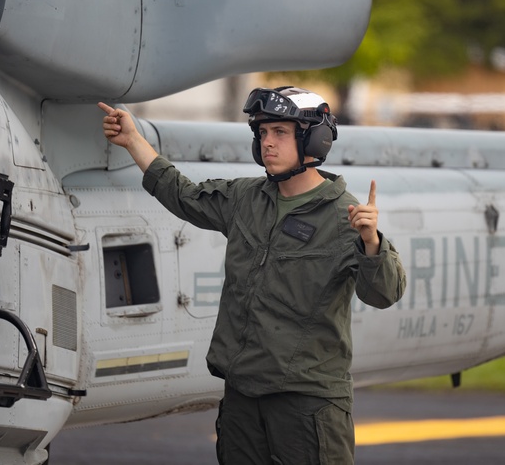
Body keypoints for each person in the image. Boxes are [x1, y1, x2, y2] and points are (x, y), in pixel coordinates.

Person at [99, 86, 406, 465]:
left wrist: (371, 242)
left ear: (314, 139)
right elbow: (182, 194)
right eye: (262, 133)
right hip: (243, 397)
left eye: (279, 132)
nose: (267, 143)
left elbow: (385, 293)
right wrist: (133, 141)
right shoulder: (246, 199)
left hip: (307, 404)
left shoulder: (346, 217)